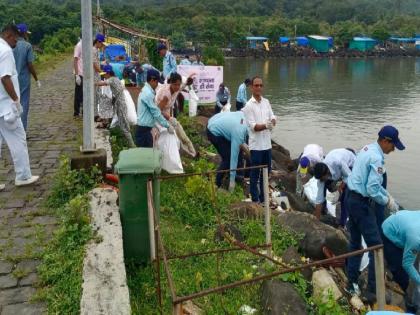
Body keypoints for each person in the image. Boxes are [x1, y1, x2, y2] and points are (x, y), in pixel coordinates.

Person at [345, 126, 404, 302]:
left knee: (355, 244)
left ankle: (352, 283)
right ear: (386, 141)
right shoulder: (376, 158)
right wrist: (387, 202)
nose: (393, 150)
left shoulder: (366, 148)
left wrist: (387, 195)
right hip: (361, 205)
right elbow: (372, 189)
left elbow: (368, 182)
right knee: (376, 247)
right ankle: (372, 290)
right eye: (393, 146)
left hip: (350, 198)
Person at [0, 24, 39, 191]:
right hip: (6, 106)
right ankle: (23, 176)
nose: (17, 41)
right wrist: (16, 100)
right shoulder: (6, 51)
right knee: (19, 139)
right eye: (16, 38)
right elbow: (5, 77)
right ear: (9, 35)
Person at [242, 76, 276, 203]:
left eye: (261, 85)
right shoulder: (248, 106)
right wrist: (266, 125)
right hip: (256, 146)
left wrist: (273, 121)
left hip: (267, 145)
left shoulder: (266, 102)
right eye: (256, 85)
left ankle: (263, 199)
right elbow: (253, 127)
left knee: (265, 173)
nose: (259, 88)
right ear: (251, 87)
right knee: (255, 174)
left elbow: (272, 115)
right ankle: (255, 199)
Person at [382, 210, 420, 312]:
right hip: (390, 232)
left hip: (405, 226)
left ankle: (415, 301)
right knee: (402, 275)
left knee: (416, 271)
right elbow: (407, 264)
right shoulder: (416, 238)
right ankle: (410, 305)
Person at [207, 111, 248, 191]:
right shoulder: (239, 132)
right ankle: (217, 184)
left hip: (216, 120)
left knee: (240, 153)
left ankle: (239, 178)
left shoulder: (245, 117)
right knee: (228, 159)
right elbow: (233, 157)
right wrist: (232, 182)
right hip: (213, 130)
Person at [95, 65, 135, 148]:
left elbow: (103, 83)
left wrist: (92, 82)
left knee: (124, 125)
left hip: (120, 104)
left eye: (104, 74)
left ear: (108, 73)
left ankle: (132, 145)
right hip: (119, 103)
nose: (104, 76)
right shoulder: (116, 78)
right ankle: (127, 140)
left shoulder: (112, 79)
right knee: (121, 123)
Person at [313, 148, 356, 220]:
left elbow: (349, 176)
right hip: (335, 169)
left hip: (350, 164)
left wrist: (341, 187)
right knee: (325, 189)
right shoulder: (321, 176)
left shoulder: (338, 162)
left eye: (322, 179)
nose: (321, 181)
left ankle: (343, 223)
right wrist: (316, 220)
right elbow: (319, 198)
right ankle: (323, 211)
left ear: (326, 174)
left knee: (345, 197)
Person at [136, 68, 174, 147]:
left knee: (147, 153)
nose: (157, 85)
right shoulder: (148, 94)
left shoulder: (147, 91)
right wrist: (167, 125)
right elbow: (155, 112)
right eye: (157, 82)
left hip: (145, 128)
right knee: (146, 155)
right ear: (152, 80)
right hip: (144, 130)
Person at [12, 23, 39, 131]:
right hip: (23, 79)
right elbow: (30, 65)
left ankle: (12, 129)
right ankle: (22, 130)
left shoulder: (9, 44)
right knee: (23, 104)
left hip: (11, 79)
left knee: (12, 103)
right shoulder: (27, 45)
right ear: (23, 33)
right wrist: (36, 79)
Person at [93, 33, 107, 120]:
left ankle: (96, 114)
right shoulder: (93, 50)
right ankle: (95, 115)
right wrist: (102, 72)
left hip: (96, 75)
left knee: (97, 95)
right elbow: (94, 64)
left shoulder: (97, 50)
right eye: (102, 43)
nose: (102, 45)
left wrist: (102, 64)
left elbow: (97, 63)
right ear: (98, 42)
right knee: (95, 95)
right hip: (94, 76)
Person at [73, 36, 83, 117]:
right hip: (79, 73)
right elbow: (75, 60)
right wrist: (77, 75)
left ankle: (83, 111)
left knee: (83, 93)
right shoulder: (79, 45)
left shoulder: (86, 45)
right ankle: (76, 112)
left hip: (84, 73)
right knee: (78, 93)